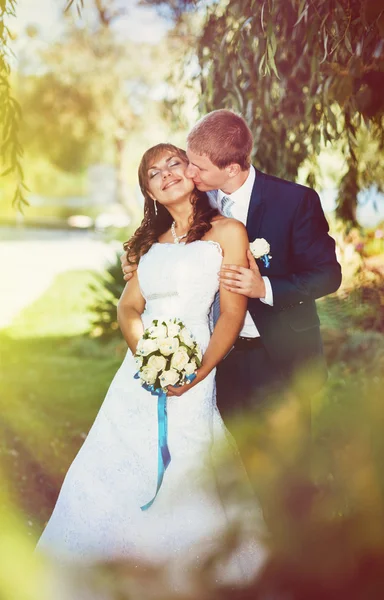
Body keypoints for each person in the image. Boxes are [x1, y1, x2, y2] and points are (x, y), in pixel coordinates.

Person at [36, 143, 266, 585]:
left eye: (173, 163)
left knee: (190, 461)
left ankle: (192, 574)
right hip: (138, 374)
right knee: (113, 464)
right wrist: (148, 357)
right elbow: (128, 309)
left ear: (191, 171)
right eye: (153, 173)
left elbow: (233, 317)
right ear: (151, 193)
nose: (166, 174)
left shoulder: (228, 232)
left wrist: (196, 374)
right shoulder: (149, 246)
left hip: (198, 368)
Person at [122, 110, 342, 433]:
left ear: (232, 169)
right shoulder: (196, 197)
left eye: (198, 166)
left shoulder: (294, 201)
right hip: (220, 359)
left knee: (289, 471)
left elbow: (328, 275)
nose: (189, 170)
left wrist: (264, 287)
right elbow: (160, 238)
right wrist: (134, 258)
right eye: (189, 160)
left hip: (280, 355)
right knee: (233, 465)